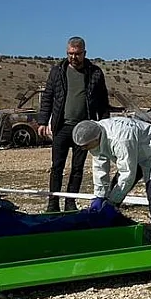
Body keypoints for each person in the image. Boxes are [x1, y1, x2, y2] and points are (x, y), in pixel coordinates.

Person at [72, 117, 151, 243]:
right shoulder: (95, 134)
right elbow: (100, 167)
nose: (84, 149)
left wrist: (112, 202)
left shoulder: (120, 139)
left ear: (95, 139)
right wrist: (99, 196)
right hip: (137, 151)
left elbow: (127, 174)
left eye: (85, 146)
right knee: (114, 187)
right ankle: (111, 223)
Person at [36, 36, 111, 212]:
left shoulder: (95, 73)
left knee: (77, 168)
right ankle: (53, 203)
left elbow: (102, 101)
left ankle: (71, 202)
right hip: (61, 126)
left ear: (84, 53)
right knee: (57, 167)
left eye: (77, 54)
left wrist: (105, 124)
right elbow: (47, 97)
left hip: (84, 129)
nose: (73, 57)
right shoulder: (57, 71)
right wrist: (42, 121)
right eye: (70, 53)